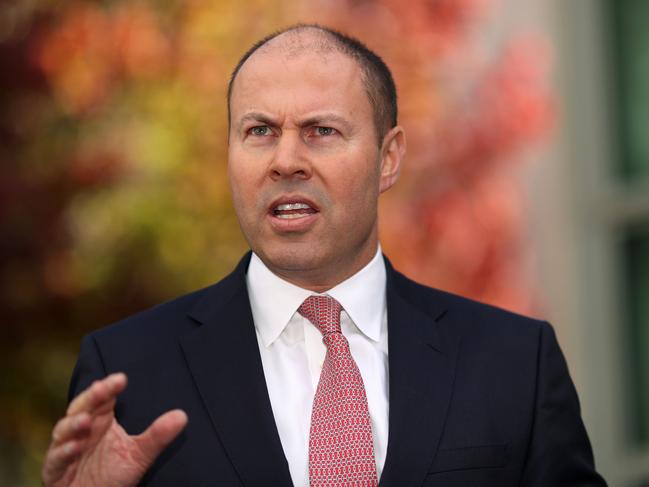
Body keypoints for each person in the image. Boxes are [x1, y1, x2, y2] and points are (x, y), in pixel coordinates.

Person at [41, 24, 607, 487]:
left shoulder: (513, 362)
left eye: (320, 131)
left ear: (389, 158)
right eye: (259, 130)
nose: (285, 160)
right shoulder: (127, 372)